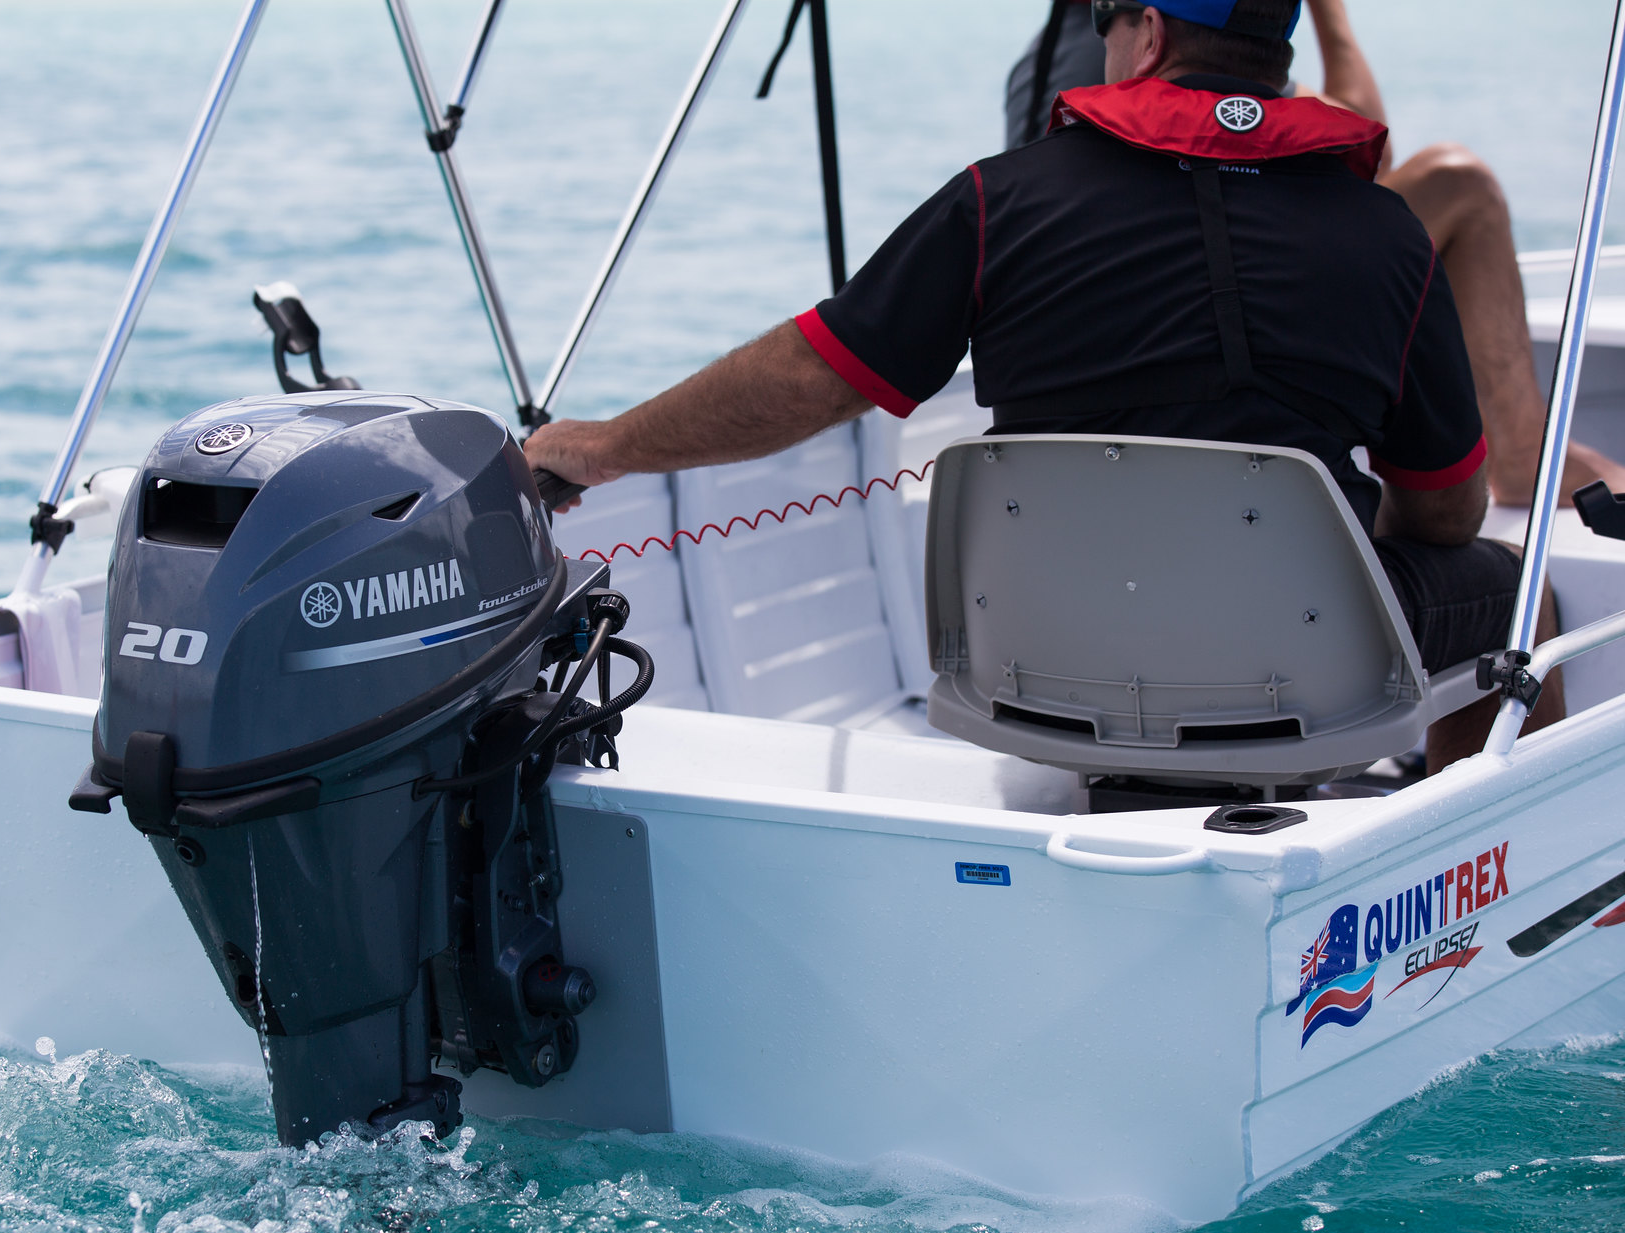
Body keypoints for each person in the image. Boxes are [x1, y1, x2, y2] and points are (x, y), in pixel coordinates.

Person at [523, 0, 1562, 769]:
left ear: (1145, 37)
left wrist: (604, 445)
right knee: (1522, 595)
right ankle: (1482, 900)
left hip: (1041, 673)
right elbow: (1444, 509)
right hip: (1305, 669)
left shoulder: (996, 203)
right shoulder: (1384, 237)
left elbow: (809, 378)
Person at [1006, 0, 1625, 509]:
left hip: (1122, 334)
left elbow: (1338, 150)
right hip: (1199, 302)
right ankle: (1519, 453)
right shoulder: (1154, 34)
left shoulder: (1104, 42)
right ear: (1151, 34)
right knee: (1460, 184)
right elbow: (1360, 169)